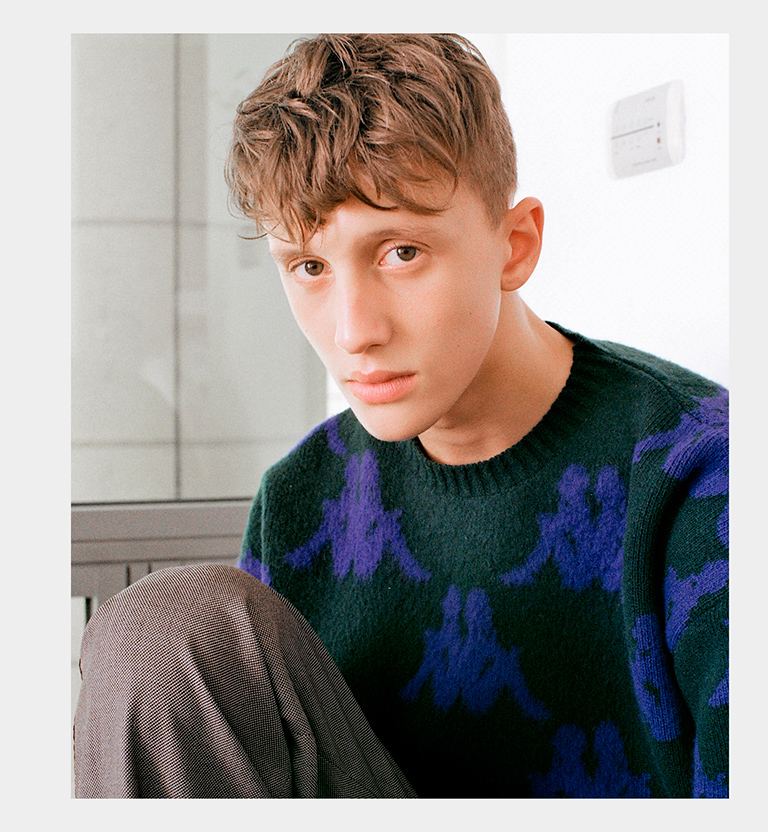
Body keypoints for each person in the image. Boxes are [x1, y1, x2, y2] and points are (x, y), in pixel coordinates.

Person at [74, 33, 728, 799]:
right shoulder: (300, 498)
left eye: (401, 253)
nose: (354, 331)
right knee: (162, 629)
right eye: (310, 267)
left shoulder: (701, 477)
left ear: (515, 245)